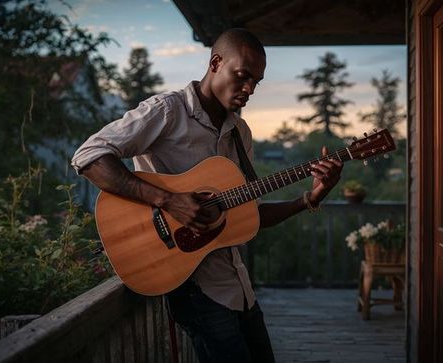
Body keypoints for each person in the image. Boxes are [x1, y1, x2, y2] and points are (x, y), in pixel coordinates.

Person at [71, 28, 343, 363]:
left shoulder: (240, 133)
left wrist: (310, 198)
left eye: (256, 82)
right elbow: (89, 156)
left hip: (238, 287)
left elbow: (249, 214)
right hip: (193, 287)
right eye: (242, 77)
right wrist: (167, 200)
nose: (249, 90)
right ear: (215, 63)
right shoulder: (168, 111)